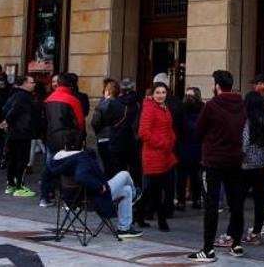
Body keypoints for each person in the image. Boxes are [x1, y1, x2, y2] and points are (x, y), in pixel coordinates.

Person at [188, 70, 250, 261]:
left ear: (217, 86)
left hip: (213, 161)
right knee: (236, 204)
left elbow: (198, 130)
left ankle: (208, 249)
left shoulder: (212, 105)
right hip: (235, 160)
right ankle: (237, 244)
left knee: (211, 205)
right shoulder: (241, 104)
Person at [43, 132, 143, 239]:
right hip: (91, 197)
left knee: (126, 190)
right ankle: (135, 195)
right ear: (83, 144)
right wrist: (100, 187)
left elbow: (45, 178)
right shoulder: (82, 159)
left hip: (70, 198)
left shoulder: (56, 159)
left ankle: (124, 228)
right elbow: (81, 177)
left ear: (65, 146)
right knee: (125, 175)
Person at [140, 82, 178, 232]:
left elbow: (168, 127)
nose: (161, 95)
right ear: (152, 94)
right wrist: (162, 143)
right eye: (158, 92)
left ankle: (139, 213)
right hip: (154, 154)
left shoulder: (164, 107)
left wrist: (172, 139)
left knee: (155, 188)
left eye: (163, 92)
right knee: (155, 189)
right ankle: (161, 219)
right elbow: (144, 132)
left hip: (166, 153)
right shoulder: (149, 109)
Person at [241, 91, 264, 245]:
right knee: (259, 197)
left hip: (249, 163)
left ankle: (235, 232)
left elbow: (245, 142)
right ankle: (256, 232)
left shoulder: (248, 119)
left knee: (239, 198)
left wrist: (240, 157)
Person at [2, 76, 40, 197]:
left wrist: (6, 122)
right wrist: (8, 121)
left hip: (14, 132)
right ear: (24, 84)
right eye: (32, 82)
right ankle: (19, 186)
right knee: (22, 160)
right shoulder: (24, 97)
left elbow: (5, 109)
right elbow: (12, 111)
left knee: (12, 159)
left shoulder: (14, 95)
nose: (34, 84)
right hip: (22, 132)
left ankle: (11, 184)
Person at [176, 86, 204, 211]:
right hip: (190, 148)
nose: (188, 98)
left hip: (189, 147)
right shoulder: (200, 110)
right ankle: (194, 200)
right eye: (186, 95)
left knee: (189, 176)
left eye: (190, 96)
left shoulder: (183, 111)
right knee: (190, 176)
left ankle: (185, 200)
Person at [91, 78, 123, 176]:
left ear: (108, 91)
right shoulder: (123, 105)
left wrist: (98, 132)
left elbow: (95, 122)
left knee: (106, 165)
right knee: (117, 166)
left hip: (103, 137)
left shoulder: (101, 106)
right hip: (118, 138)